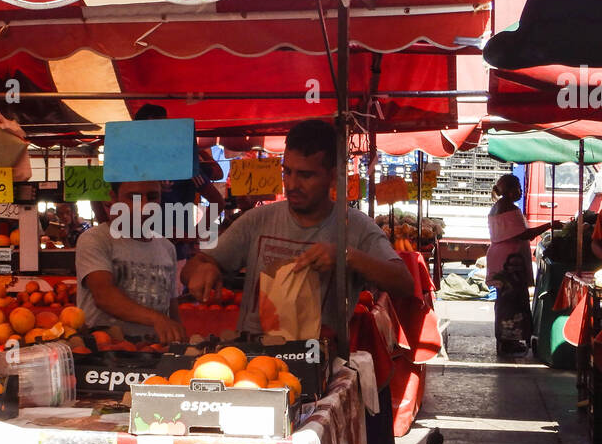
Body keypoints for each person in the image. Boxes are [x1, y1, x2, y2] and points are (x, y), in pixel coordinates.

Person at [181, 119, 413, 336]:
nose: (292, 184)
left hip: (320, 363)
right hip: (256, 361)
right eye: (287, 172)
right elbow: (192, 268)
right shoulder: (257, 220)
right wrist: (200, 270)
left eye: (305, 175)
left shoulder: (356, 227)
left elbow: (404, 284)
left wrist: (345, 256)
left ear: (333, 177)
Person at [76, 180, 187, 343]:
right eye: (133, 197)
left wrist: (179, 337)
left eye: (152, 197)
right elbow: (103, 295)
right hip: (104, 355)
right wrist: (156, 319)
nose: (144, 206)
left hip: (155, 352)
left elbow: (171, 306)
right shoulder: (95, 239)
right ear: (114, 199)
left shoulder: (167, 247)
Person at [486, 173, 560, 356]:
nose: (520, 191)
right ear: (510, 190)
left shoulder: (501, 206)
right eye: (518, 187)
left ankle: (507, 341)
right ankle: (507, 343)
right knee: (511, 302)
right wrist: (550, 225)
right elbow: (524, 234)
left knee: (506, 301)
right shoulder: (508, 208)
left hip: (504, 261)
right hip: (508, 264)